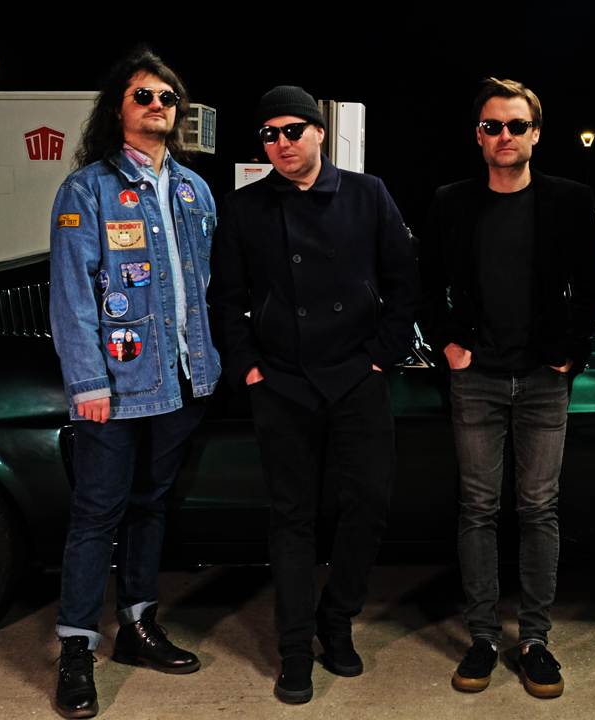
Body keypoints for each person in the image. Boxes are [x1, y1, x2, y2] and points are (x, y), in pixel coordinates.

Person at [208, 85, 419, 704]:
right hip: (282, 380)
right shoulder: (244, 207)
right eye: (269, 134)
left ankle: (338, 618)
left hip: (356, 375)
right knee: (291, 518)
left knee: (370, 503)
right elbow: (226, 298)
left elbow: (405, 281)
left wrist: (381, 354)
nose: (281, 143)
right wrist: (247, 366)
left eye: (292, 130)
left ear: (319, 132)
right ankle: (296, 645)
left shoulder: (367, 193)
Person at [419, 78, 595, 699]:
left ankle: (534, 640)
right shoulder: (451, 201)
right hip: (476, 378)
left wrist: (570, 351)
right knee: (477, 508)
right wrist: (448, 343)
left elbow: (592, 288)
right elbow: (427, 284)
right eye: (493, 126)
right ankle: (480, 636)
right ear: (478, 135)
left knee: (538, 509)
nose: (505, 135)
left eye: (516, 125)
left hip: (544, 378)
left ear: (535, 133)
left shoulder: (569, 199)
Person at [48, 46, 220, 719]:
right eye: (142, 95)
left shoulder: (194, 190)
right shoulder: (87, 190)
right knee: (97, 514)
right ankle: (76, 649)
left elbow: (208, 287)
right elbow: (72, 296)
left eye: (167, 97)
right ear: (117, 109)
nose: (157, 105)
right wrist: (88, 381)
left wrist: (212, 363)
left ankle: (138, 625)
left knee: (152, 505)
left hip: (181, 381)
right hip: (116, 386)